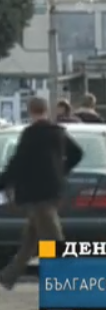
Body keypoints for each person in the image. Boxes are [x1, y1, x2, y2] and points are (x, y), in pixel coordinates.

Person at [0, 97, 83, 290]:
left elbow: (17, 163)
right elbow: (77, 153)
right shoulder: (58, 132)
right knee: (31, 239)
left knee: (53, 238)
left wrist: (3, 182)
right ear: (46, 110)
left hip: (35, 193)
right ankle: (8, 276)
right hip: (54, 190)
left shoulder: (30, 134)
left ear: (30, 112)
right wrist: (61, 169)